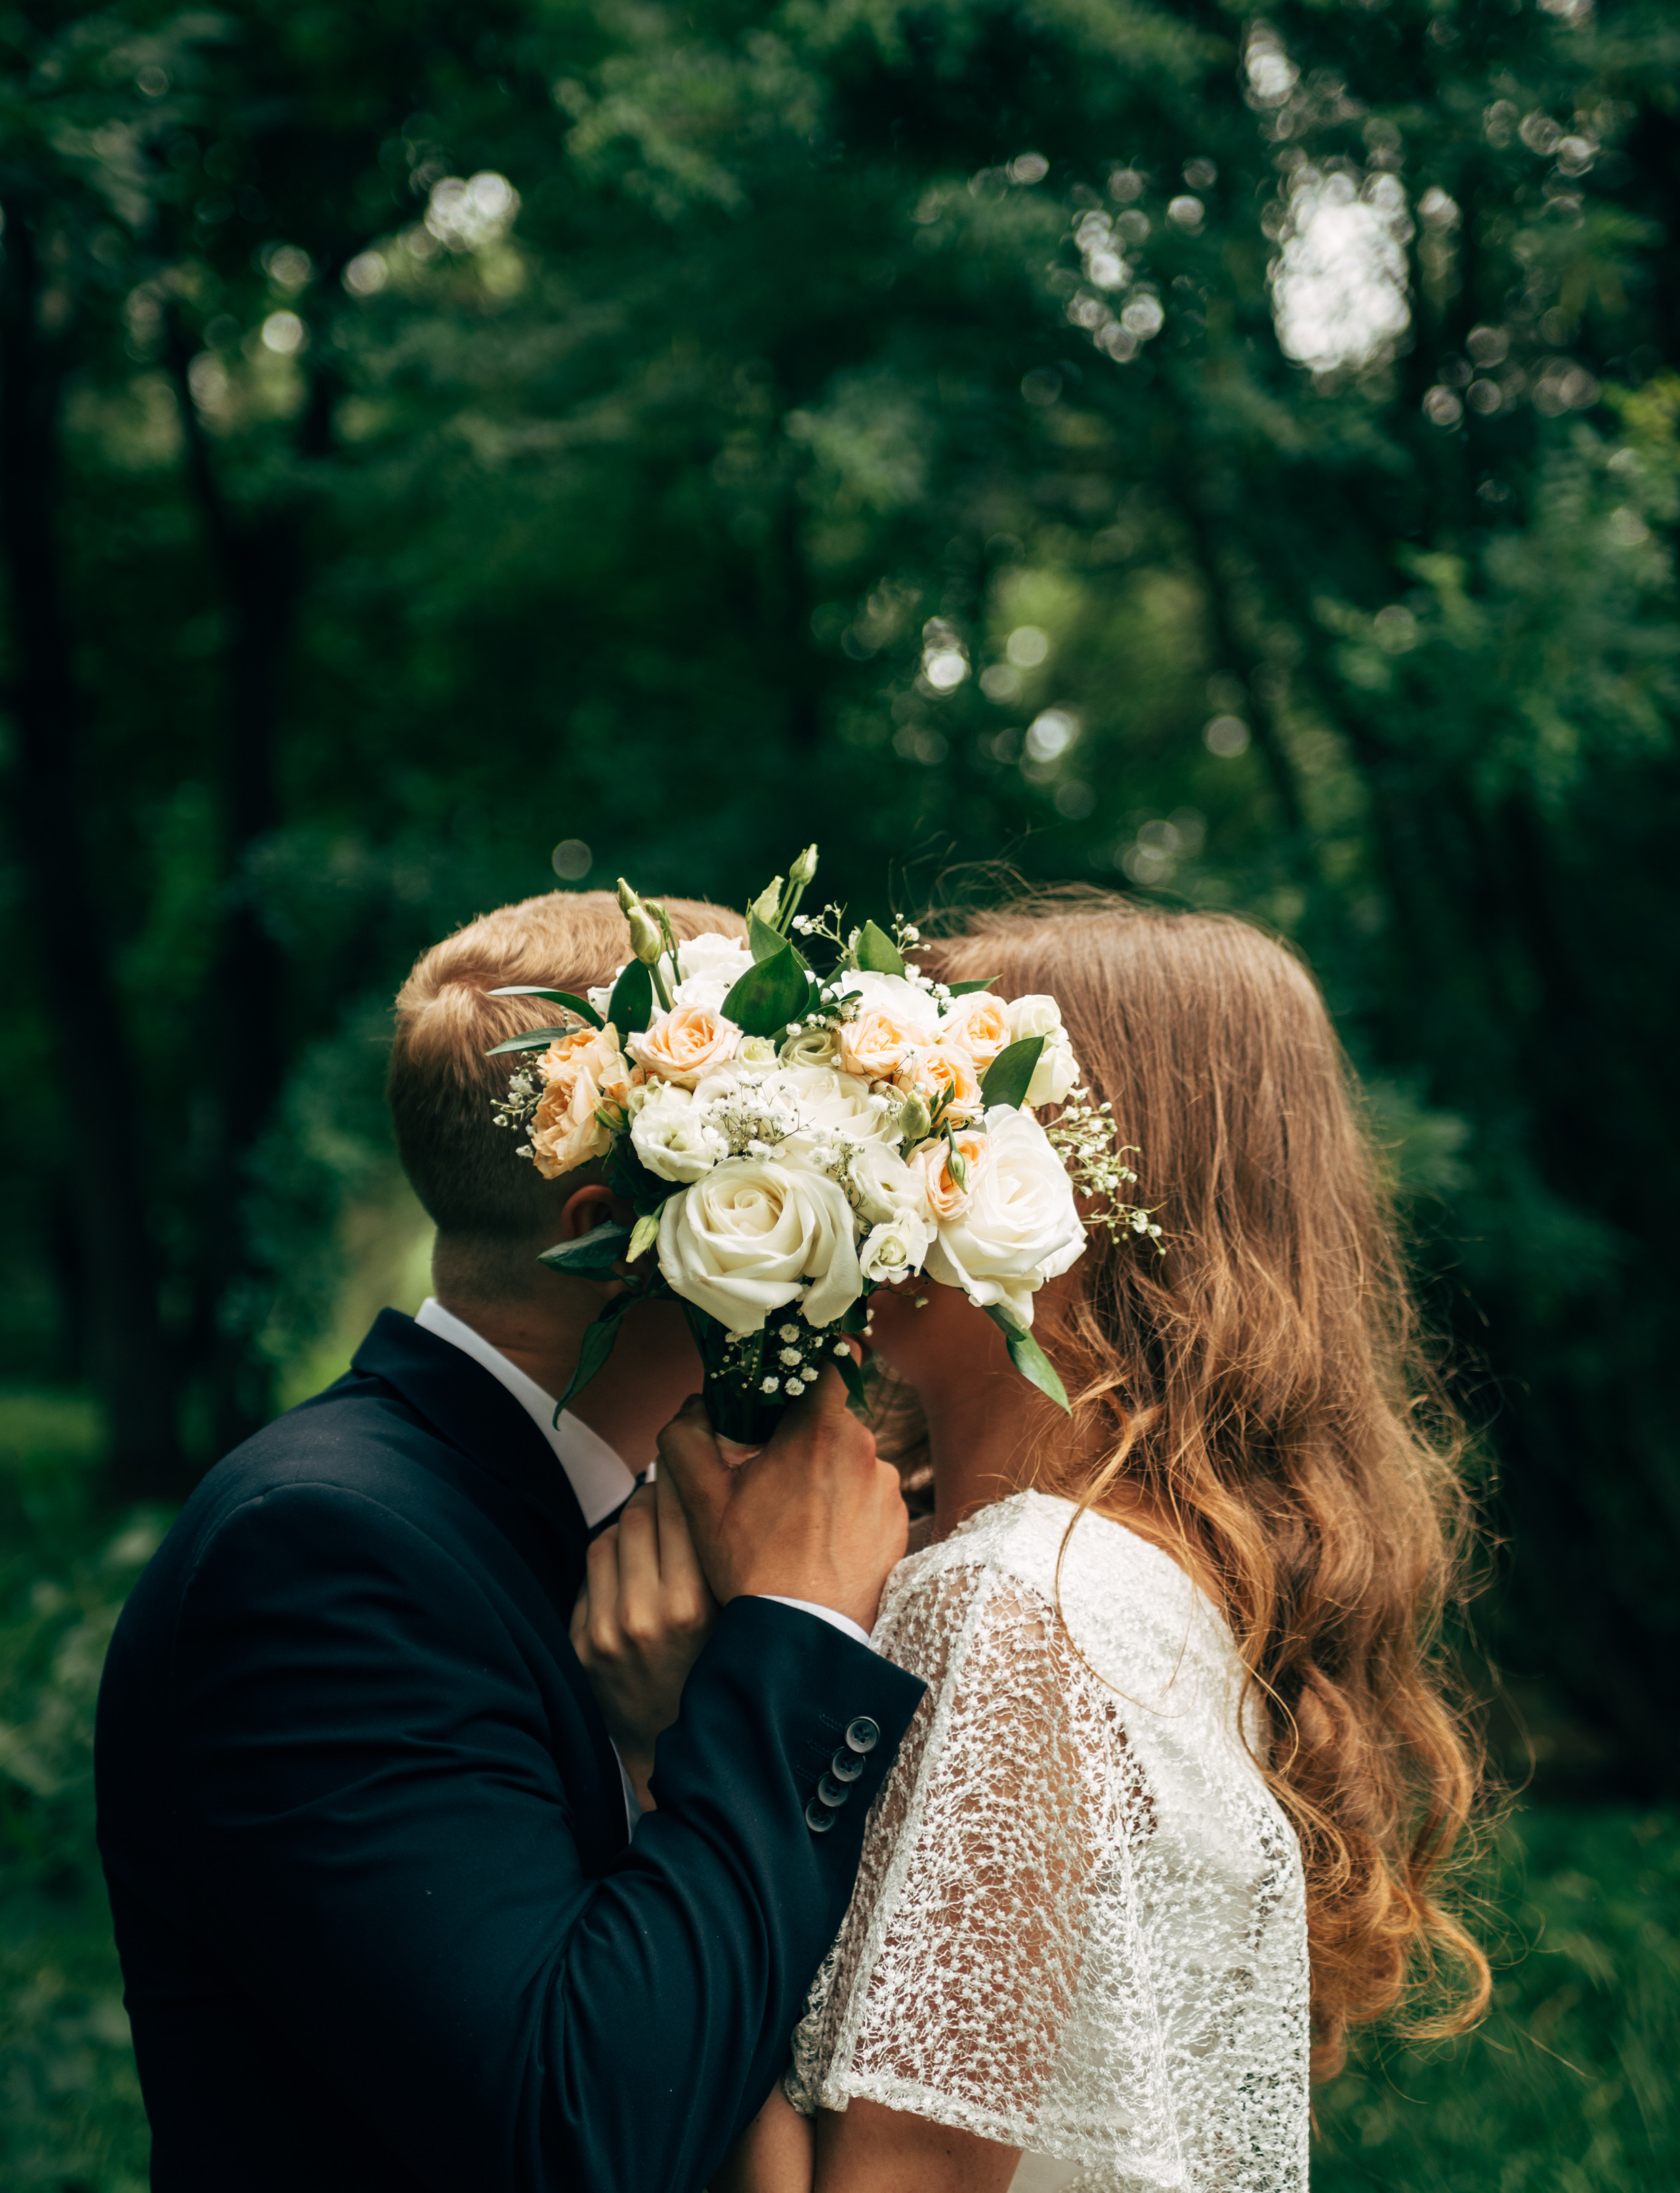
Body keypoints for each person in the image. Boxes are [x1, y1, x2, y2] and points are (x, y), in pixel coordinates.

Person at [94, 888, 924, 2193]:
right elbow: (574, 2130)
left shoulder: (592, 1517)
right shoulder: (321, 1560)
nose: (873, 1232)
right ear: (608, 1229)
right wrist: (798, 1646)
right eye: (798, 1157)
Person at [718, 893, 1490, 2193]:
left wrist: (671, 1758)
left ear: (1065, 1193)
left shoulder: (1017, 1603)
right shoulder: (1149, 1593)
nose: (849, 1163)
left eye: (911, 1112)